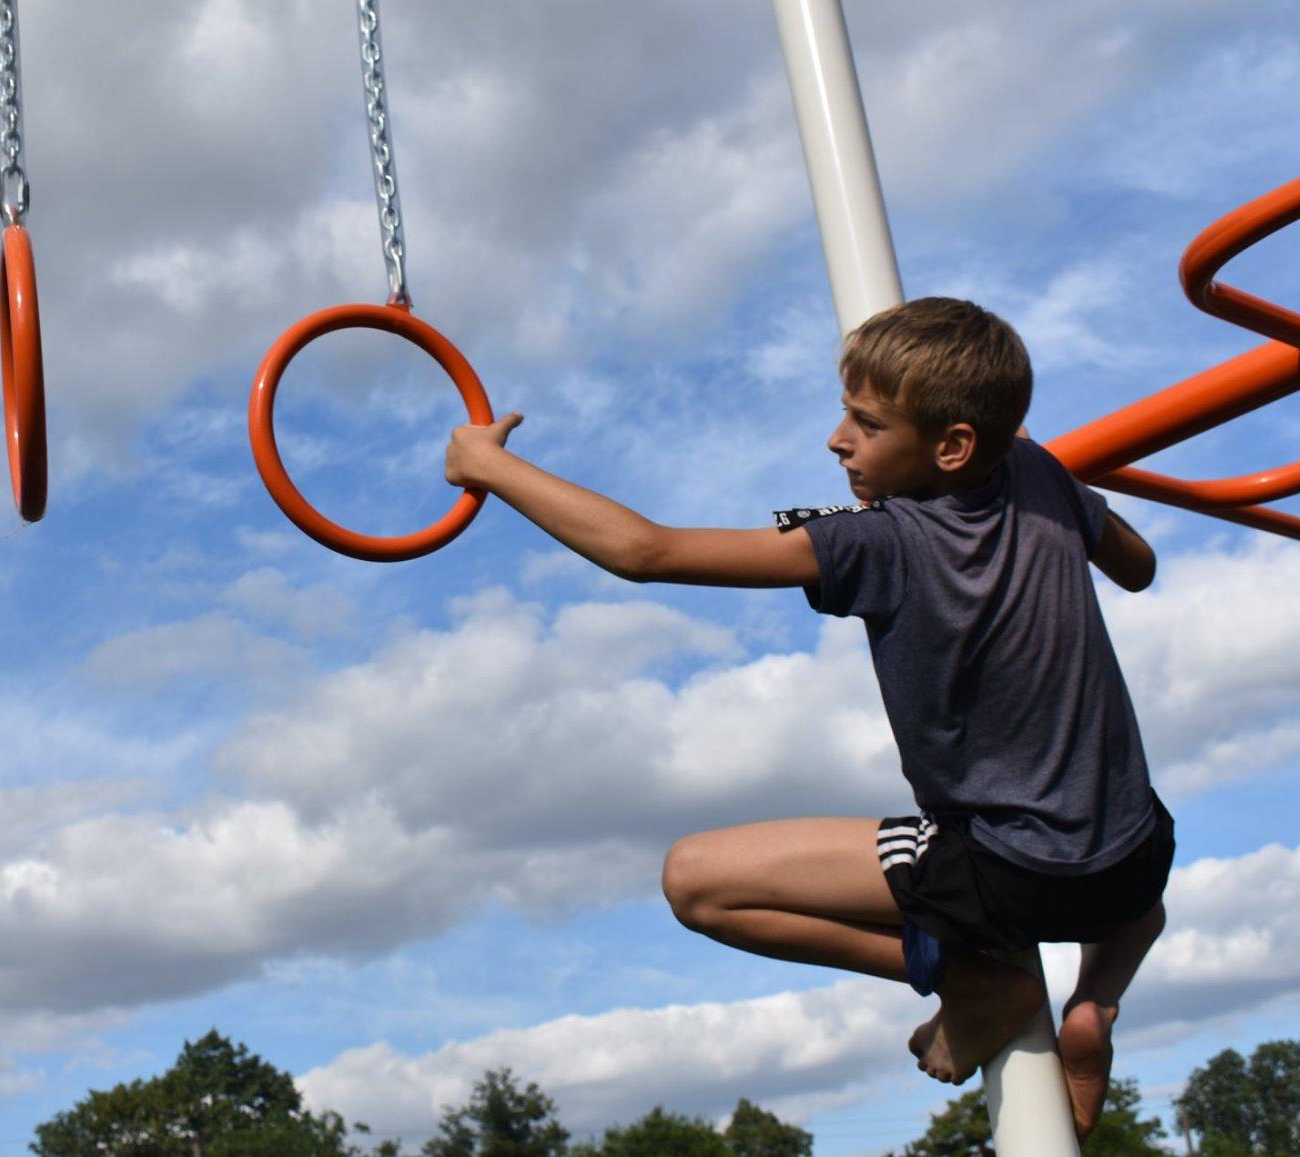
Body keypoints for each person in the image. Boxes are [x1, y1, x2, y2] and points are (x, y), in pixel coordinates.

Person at [442, 297, 1171, 1140]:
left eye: (865, 422)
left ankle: (968, 980)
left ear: (953, 445)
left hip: (1008, 872)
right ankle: (1098, 996)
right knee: (1127, 875)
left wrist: (490, 467)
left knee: (696, 881)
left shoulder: (881, 542)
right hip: (1133, 861)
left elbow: (647, 551)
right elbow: (1139, 565)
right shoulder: (1040, 471)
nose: (837, 438)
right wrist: (1070, 528)